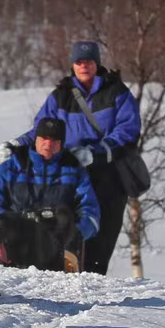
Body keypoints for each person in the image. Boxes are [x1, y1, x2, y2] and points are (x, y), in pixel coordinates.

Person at [32, 40, 140, 275]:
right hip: (70, 176)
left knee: (102, 237)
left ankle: (94, 286)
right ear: (72, 65)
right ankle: (64, 281)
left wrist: (97, 151)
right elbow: (42, 129)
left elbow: (128, 130)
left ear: (97, 64)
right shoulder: (60, 96)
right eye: (79, 61)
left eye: (89, 61)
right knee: (65, 229)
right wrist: (20, 144)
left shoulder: (116, 92)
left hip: (109, 178)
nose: (84, 66)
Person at [0, 117, 100, 271]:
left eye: (54, 140)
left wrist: (77, 232)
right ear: (35, 139)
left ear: (62, 144)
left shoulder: (74, 171)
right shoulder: (10, 168)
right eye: (44, 138)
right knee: (1, 221)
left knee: (64, 216)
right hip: (17, 239)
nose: (48, 144)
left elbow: (91, 212)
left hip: (58, 243)